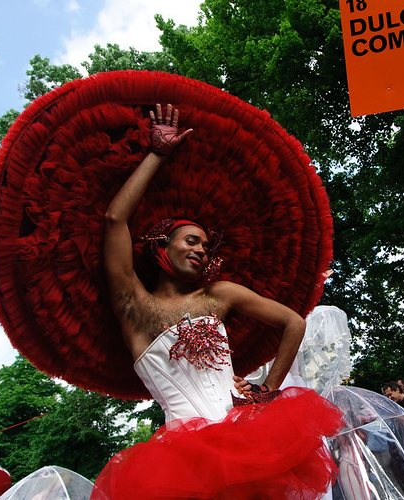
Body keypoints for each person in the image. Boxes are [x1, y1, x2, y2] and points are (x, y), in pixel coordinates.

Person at [92, 103, 342, 499]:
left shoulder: (219, 294)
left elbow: (294, 322)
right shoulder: (134, 305)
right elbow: (114, 220)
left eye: (206, 247)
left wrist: (265, 391)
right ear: (161, 245)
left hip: (251, 439)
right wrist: (158, 154)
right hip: (182, 463)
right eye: (191, 241)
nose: (201, 251)